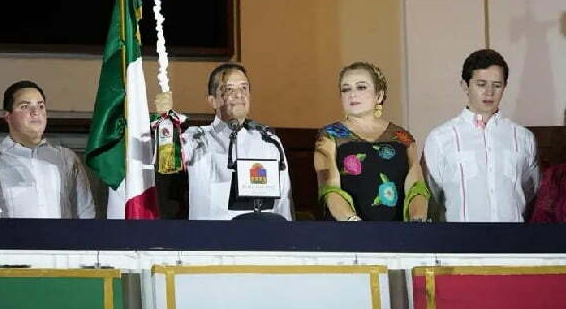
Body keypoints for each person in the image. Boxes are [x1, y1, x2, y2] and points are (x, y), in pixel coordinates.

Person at [423, 49, 540, 221]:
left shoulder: (524, 138)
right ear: (465, 85)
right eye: (481, 84)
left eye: (497, 85)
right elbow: (433, 196)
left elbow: (531, 190)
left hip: (513, 242)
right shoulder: (440, 138)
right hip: (461, 243)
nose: (489, 92)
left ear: (505, 87)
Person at [314, 62, 428, 221]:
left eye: (361, 87)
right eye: (346, 89)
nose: (352, 94)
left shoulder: (402, 136)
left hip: (399, 235)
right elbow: (330, 189)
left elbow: (417, 188)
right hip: (348, 233)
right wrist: (352, 223)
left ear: (379, 96)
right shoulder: (329, 135)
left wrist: (418, 220)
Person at [180, 63, 292, 220]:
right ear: (212, 101)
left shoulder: (269, 142)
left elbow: (283, 206)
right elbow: (170, 157)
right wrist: (164, 121)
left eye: (244, 88)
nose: (239, 95)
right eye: (229, 89)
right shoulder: (197, 139)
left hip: (263, 239)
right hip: (211, 241)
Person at [0, 81, 95, 218]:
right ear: (7, 116)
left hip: (61, 239)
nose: (35, 112)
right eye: (25, 106)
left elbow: (85, 213)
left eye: (40, 106)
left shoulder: (66, 158)